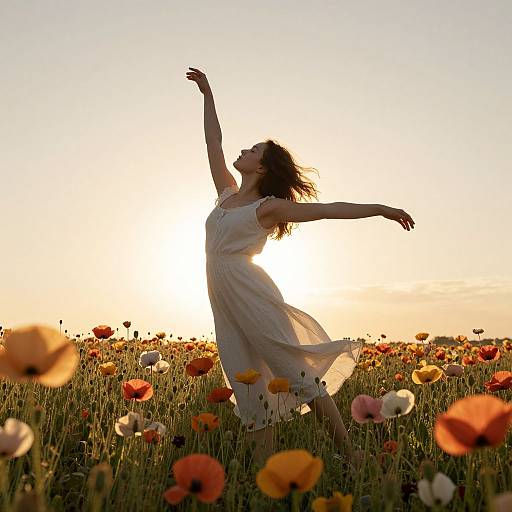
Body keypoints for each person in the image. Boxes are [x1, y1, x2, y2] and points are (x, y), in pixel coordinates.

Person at [186, 67, 415, 467]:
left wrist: (381, 209)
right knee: (246, 379)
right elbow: (213, 142)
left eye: (254, 150)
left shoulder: (267, 208)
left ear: (262, 168)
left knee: (294, 372)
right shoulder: (225, 195)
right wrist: (208, 93)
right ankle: (264, 471)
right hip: (222, 297)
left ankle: (350, 453)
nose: (245, 151)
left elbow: (328, 210)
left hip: (250, 292)